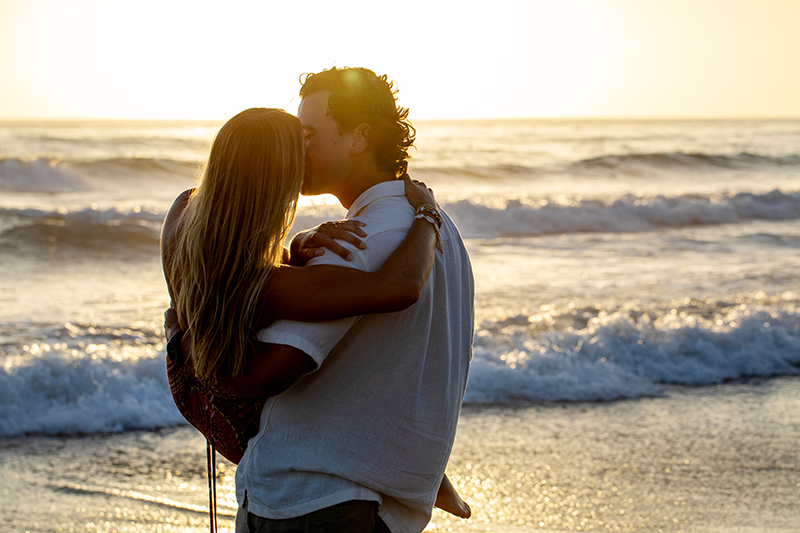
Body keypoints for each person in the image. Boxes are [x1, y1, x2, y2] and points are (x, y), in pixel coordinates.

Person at [160, 107, 470, 529]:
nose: (307, 156)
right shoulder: (267, 285)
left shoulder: (185, 216)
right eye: (299, 145)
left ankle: (430, 475)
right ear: (278, 181)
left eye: (311, 136)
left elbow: (241, 273)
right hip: (226, 396)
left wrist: (301, 243)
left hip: (187, 363)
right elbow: (397, 288)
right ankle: (428, 474)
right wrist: (428, 216)